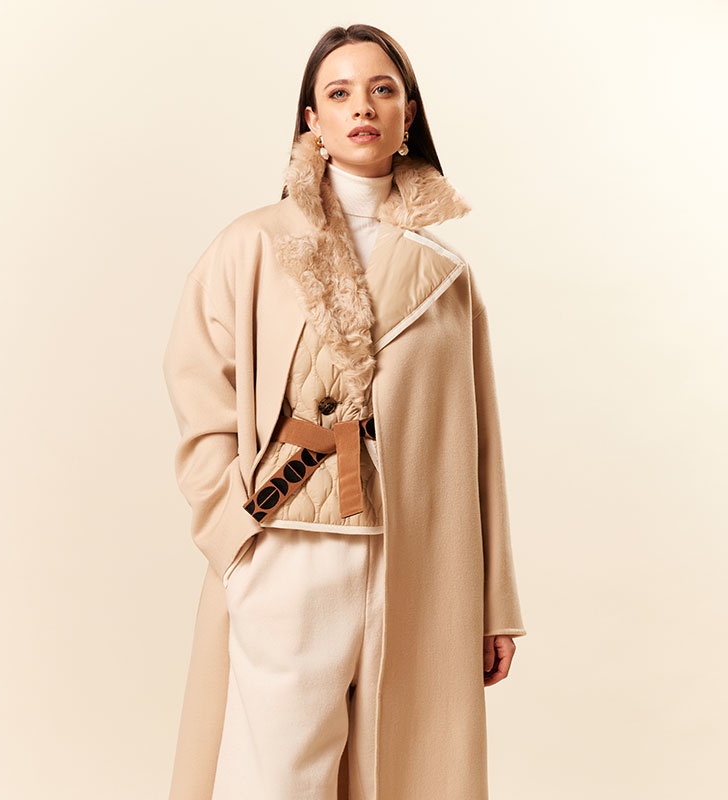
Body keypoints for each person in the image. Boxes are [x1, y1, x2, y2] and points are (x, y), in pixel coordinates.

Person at [163, 23, 527, 800]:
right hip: (286, 538)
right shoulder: (254, 245)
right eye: (339, 92)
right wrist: (232, 527)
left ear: (407, 115)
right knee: (277, 782)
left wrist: (492, 602)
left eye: (382, 89)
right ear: (312, 120)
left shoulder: (446, 276)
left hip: (416, 557)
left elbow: (480, 449)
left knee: (401, 772)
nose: (362, 106)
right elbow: (200, 389)